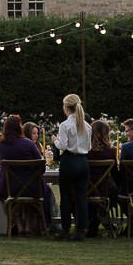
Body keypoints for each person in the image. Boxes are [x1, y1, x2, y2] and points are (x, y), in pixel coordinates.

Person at [0, 114, 46, 234]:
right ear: (19, 127)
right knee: (32, 194)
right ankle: (28, 223)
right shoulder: (28, 143)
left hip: (8, 187)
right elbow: (41, 165)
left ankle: (16, 220)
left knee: (2, 194)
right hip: (31, 187)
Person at [54, 93, 90, 241]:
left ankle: (65, 228)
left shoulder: (65, 125)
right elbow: (89, 146)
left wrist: (55, 140)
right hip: (83, 161)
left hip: (69, 161)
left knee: (66, 196)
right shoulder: (87, 125)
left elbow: (62, 145)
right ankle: (81, 229)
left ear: (66, 108)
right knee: (81, 197)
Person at [85, 119, 117, 237]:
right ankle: (102, 220)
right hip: (105, 190)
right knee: (114, 190)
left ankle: (92, 223)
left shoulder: (85, 151)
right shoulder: (111, 151)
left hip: (86, 189)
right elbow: (115, 173)